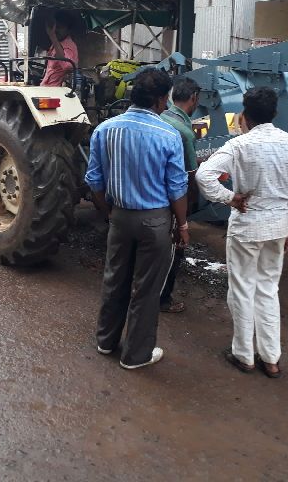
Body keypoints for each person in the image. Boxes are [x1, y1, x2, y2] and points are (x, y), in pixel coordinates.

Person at [195, 87, 288, 379]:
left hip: (247, 226)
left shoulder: (240, 145)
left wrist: (229, 197)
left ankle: (243, 355)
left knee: (243, 289)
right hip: (278, 227)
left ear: (244, 115)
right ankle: (271, 359)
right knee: (268, 289)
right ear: (275, 114)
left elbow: (203, 175)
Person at [85, 68, 189, 370]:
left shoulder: (104, 130)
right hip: (154, 221)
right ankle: (135, 355)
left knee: (114, 279)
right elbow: (177, 187)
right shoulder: (169, 134)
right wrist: (182, 224)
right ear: (159, 99)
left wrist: (109, 214)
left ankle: (105, 342)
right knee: (146, 289)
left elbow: (94, 182)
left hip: (119, 217)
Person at [159, 77, 200, 313]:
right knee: (173, 250)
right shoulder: (185, 132)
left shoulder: (161, 118)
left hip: (154, 197)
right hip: (174, 200)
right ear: (193, 98)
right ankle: (163, 298)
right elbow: (190, 175)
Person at [39, 11, 78, 87]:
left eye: (60, 28)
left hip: (57, 90)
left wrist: (52, 36)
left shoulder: (68, 45)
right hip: (47, 87)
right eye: (56, 27)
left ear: (68, 30)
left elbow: (67, 66)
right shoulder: (57, 43)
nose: (56, 30)